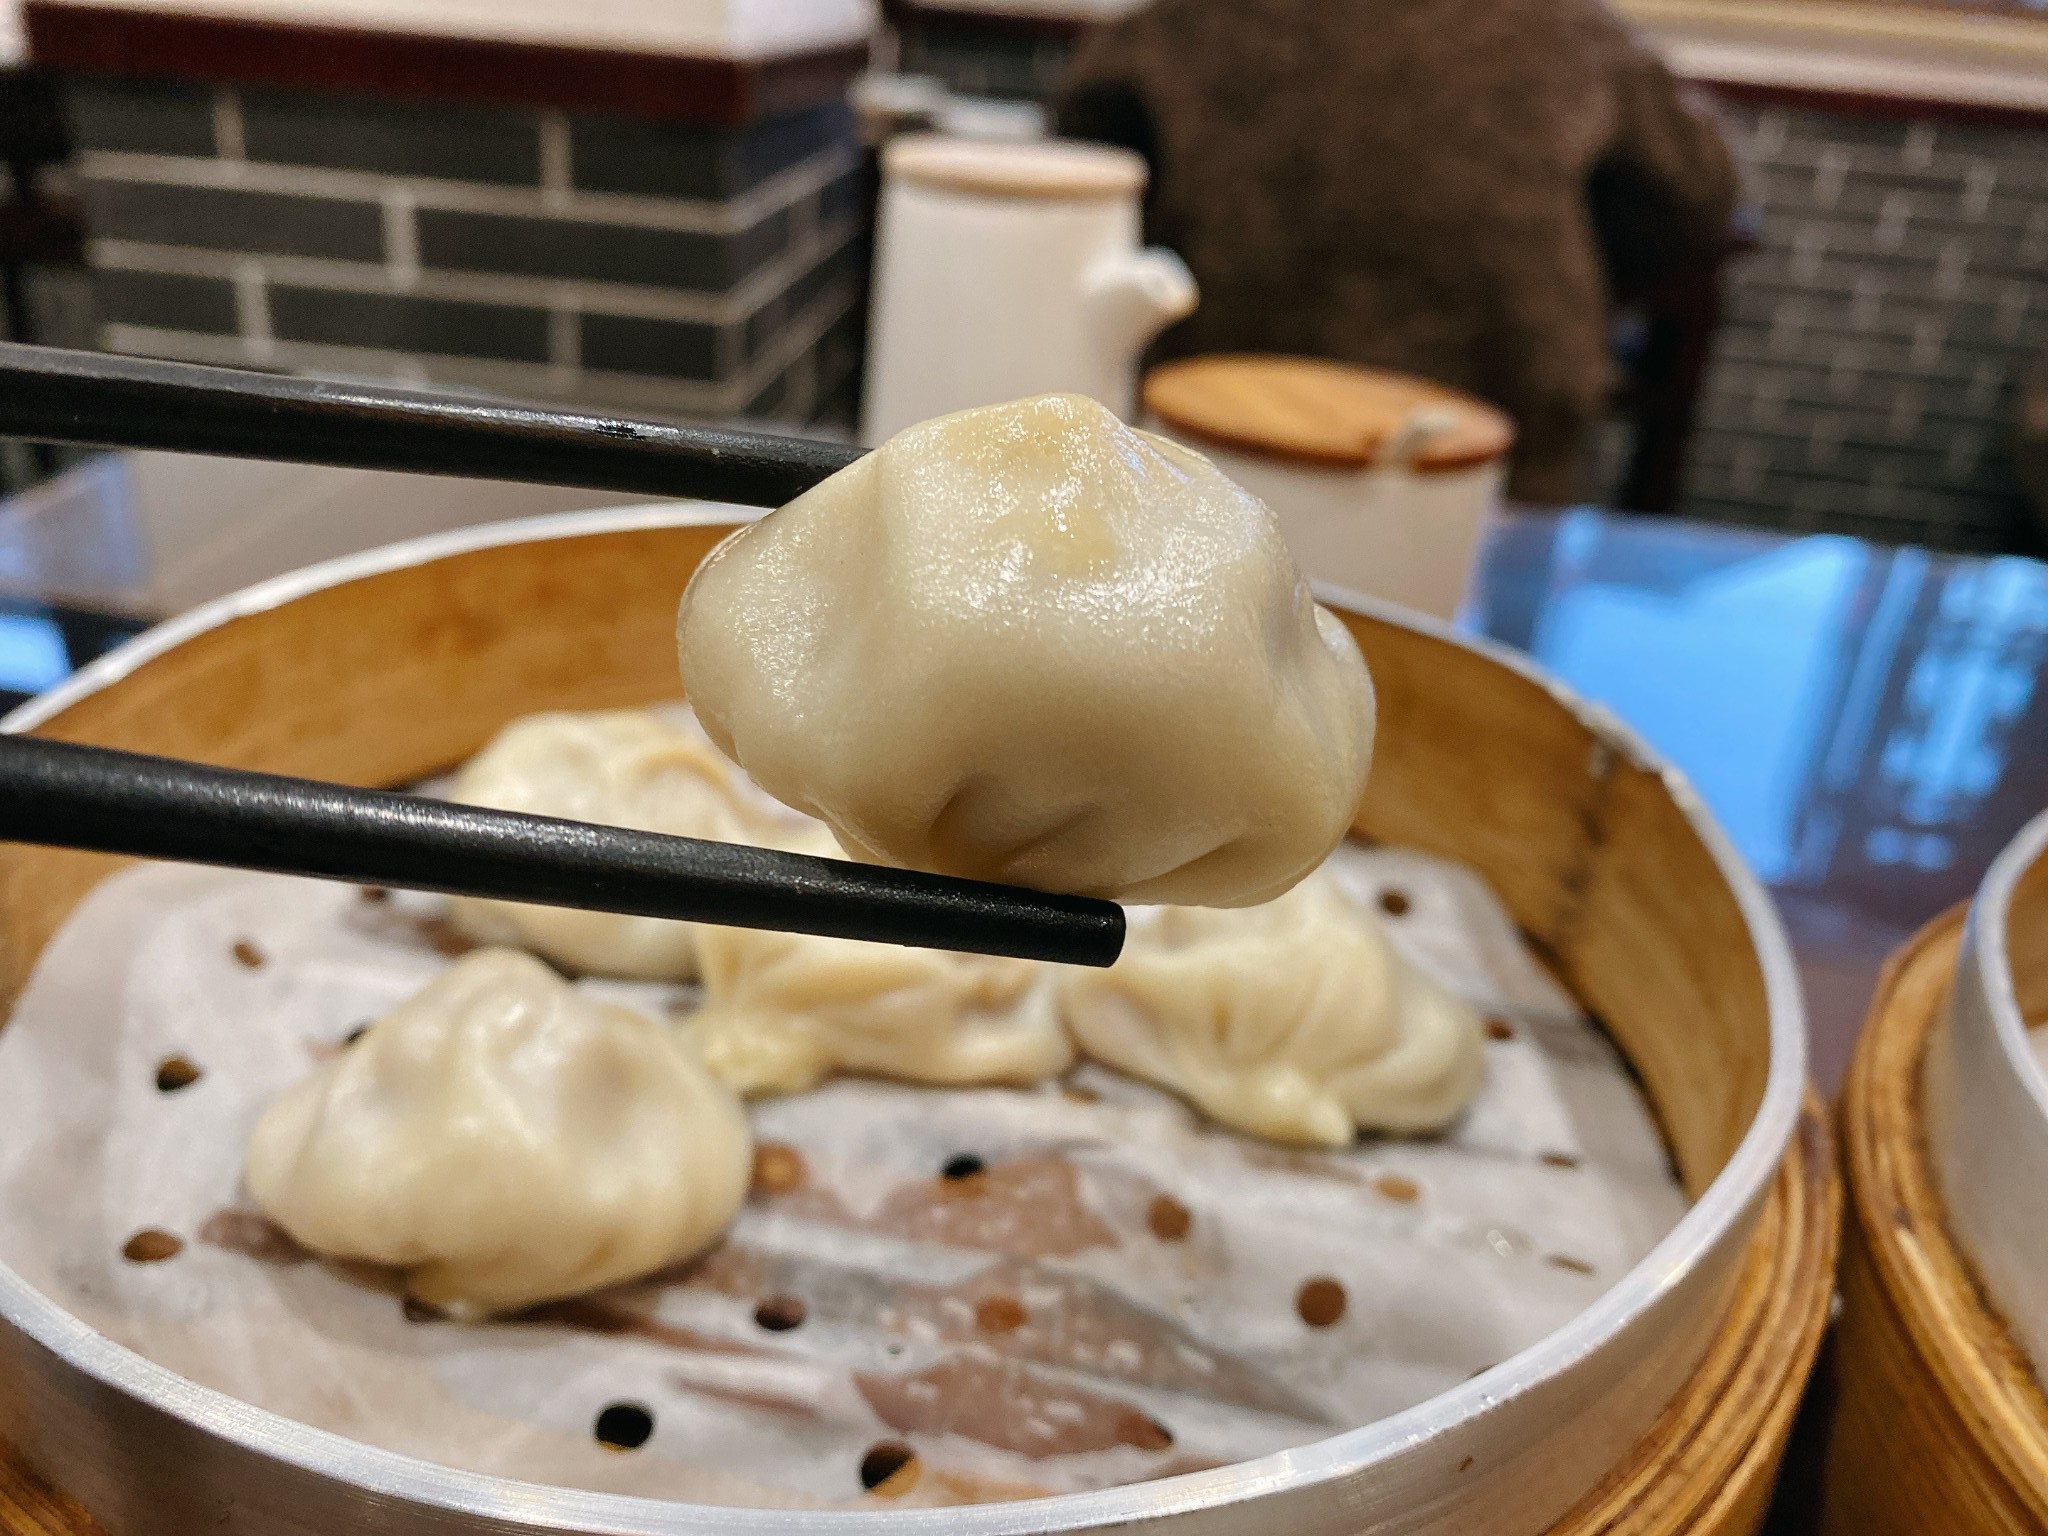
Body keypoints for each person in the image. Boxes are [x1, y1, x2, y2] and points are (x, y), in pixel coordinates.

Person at [1054, 0, 1739, 504]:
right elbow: (1699, 203)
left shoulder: (1177, 25)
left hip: (1213, 423)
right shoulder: (1569, 29)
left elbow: (1087, 170)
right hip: (1500, 441)